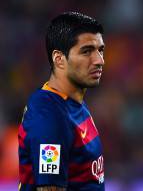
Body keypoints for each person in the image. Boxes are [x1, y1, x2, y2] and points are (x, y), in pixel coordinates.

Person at [18, 12, 105, 191]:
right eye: (87, 51)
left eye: (100, 50)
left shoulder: (72, 102)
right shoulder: (49, 115)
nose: (99, 60)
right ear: (59, 59)